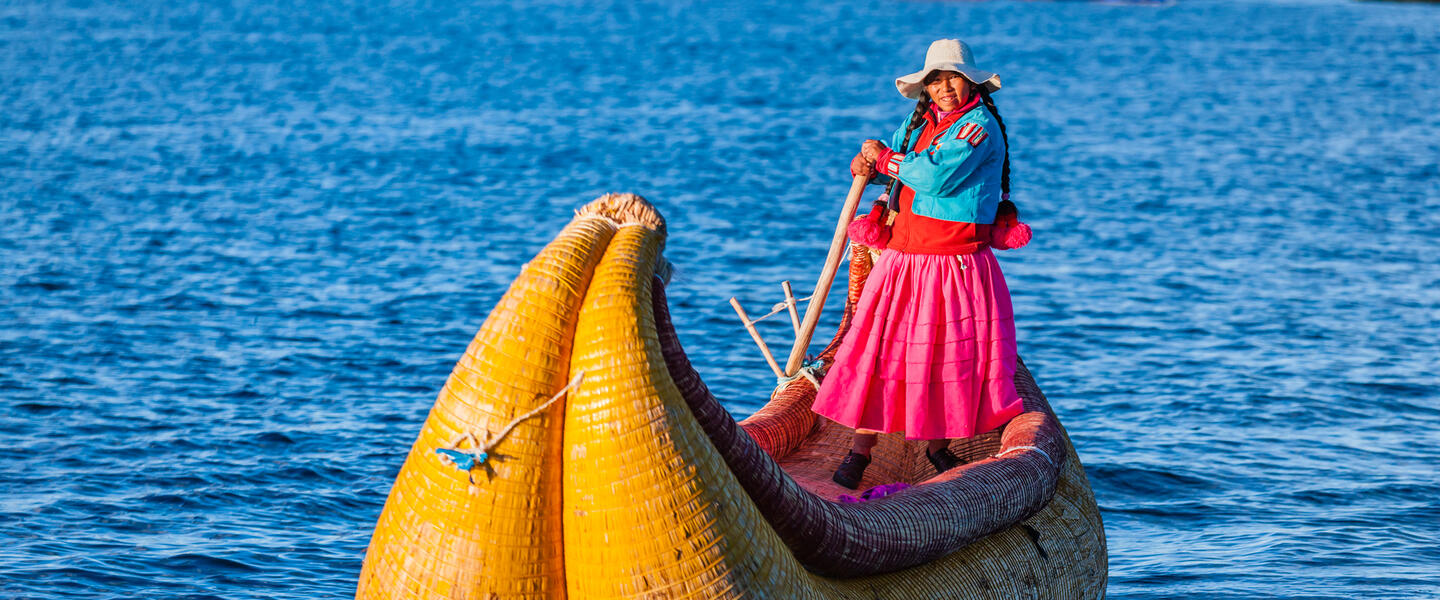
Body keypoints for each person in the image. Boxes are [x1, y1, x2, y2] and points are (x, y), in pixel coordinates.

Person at [812, 38, 1030, 489]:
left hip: (951, 266)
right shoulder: (920, 123)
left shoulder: (978, 128)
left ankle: (937, 448)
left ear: (972, 83)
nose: (945, 87)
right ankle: (860, 450)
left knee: (943, 358)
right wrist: (867, 160)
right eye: (936, 80)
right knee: (879, 352)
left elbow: (934, 176)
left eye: (954, 78)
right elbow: (894, 157)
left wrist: (885, 159)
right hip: (903, 260)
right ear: (926, 88)